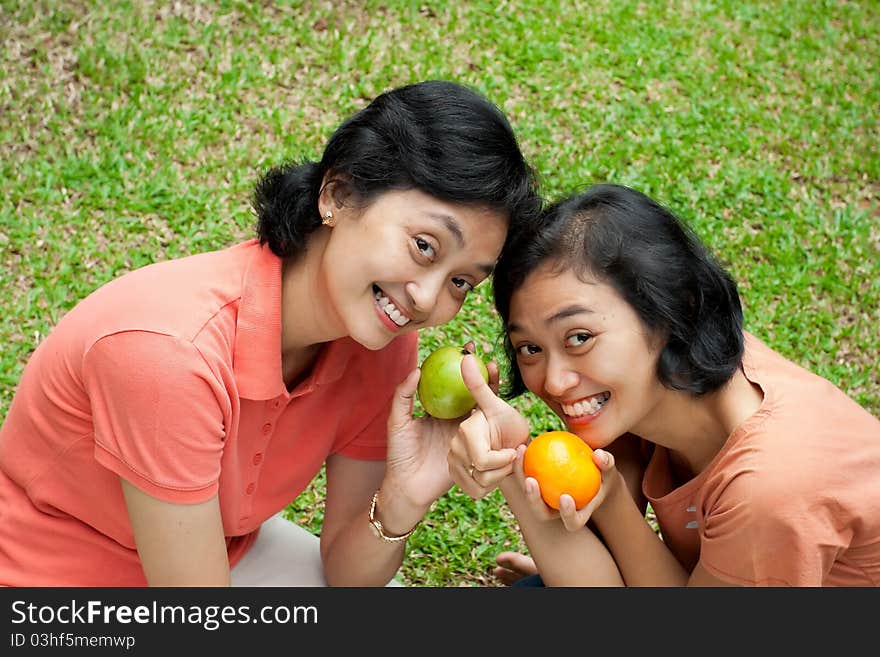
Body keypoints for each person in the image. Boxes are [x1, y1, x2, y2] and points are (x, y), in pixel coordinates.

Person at [0, 79, 541, 586]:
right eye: (424, 246)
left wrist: (403, 495)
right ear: (338, 194)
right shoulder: (169, 354)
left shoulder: (381, 343)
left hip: (224, 558)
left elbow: (349, 578)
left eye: (462, 281)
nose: (426, 298)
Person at [448, 183, 880, 587]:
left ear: (674, 311)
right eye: (529, 348)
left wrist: (612, 504)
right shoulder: (674, 372)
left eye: (579, 337)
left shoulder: (769, 490)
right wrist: (512, 467)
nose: (555, 382)